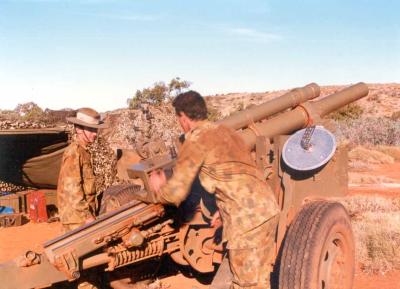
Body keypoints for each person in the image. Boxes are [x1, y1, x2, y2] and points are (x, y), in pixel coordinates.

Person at [149, 91, 280, 289]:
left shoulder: (195, 140)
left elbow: (176, 192)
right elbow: (239, 173)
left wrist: (158, 188)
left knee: (245, 284)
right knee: (261, 279)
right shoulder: (227, 132)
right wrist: (221, 209)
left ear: (183, 117)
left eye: (178, 118)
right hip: (267, 210)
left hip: (245, 222)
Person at [57, 107, 106, 233]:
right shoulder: (74, 152)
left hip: (80, 217)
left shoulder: (84, 151)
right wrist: (87, 216)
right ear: (79, 129)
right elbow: (72, 190)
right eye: (90, 129)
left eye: (95, 129)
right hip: (77, 220)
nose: (95, 133)